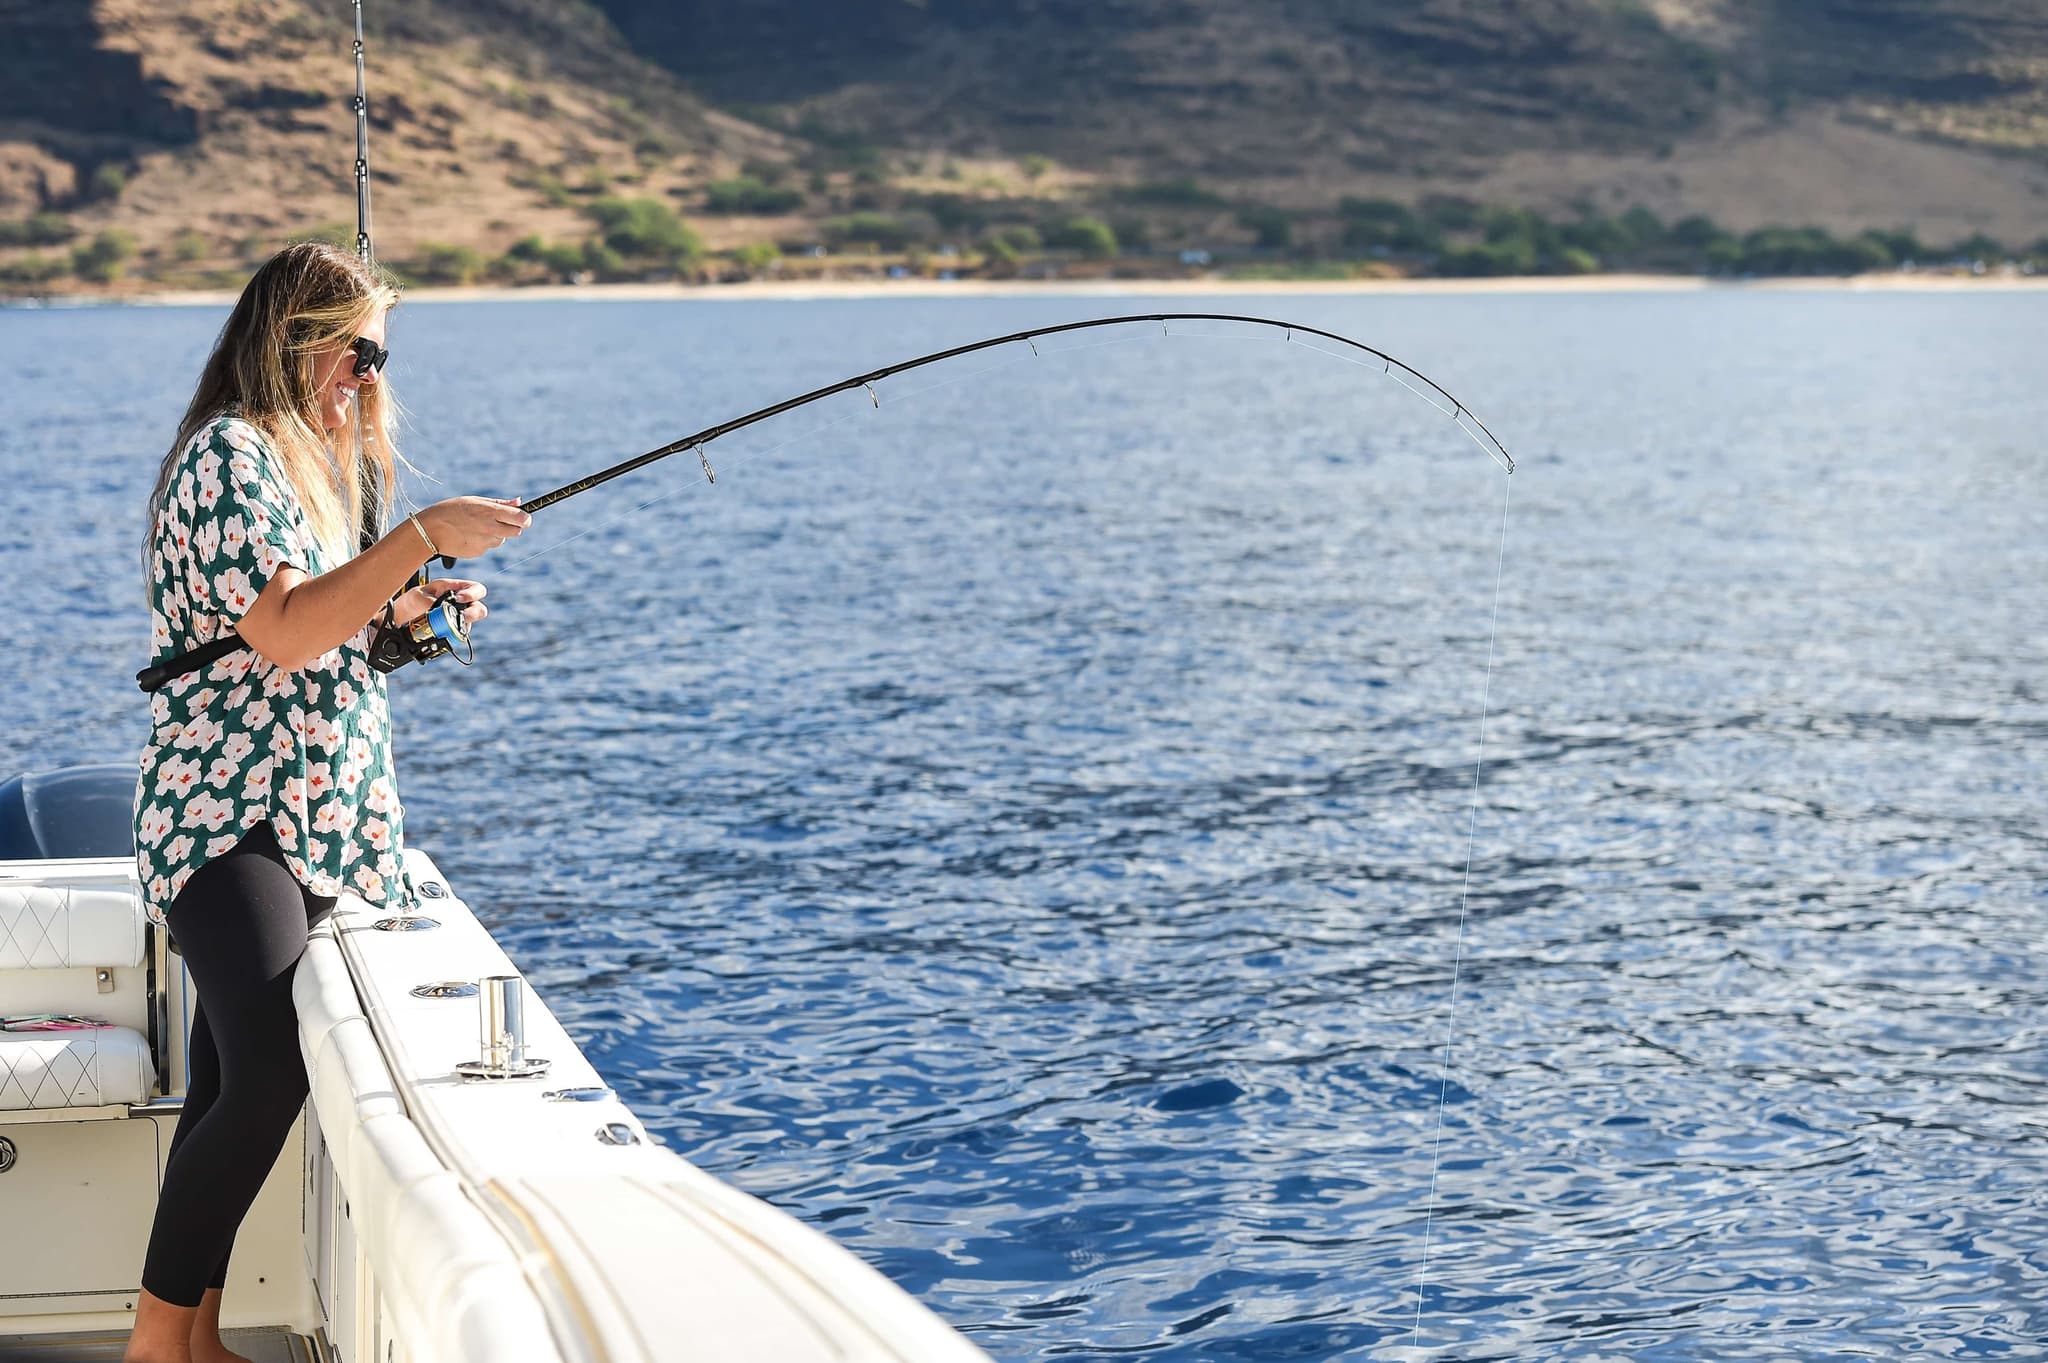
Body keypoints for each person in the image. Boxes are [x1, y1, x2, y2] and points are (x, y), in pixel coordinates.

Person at [125, 241, 529, 1363]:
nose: (368, 375)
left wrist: (401, 616)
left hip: (307, 815)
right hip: (230, 812)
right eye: (355, 351)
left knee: (226, 1075)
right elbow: (286, 632)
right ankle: (155, 1344)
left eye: (378, 356)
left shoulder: (305, 464)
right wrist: (419, 537)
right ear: (292, 339)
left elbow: (321, 632)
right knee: (267, 1070)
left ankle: (194, 1336)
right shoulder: (230, 456)